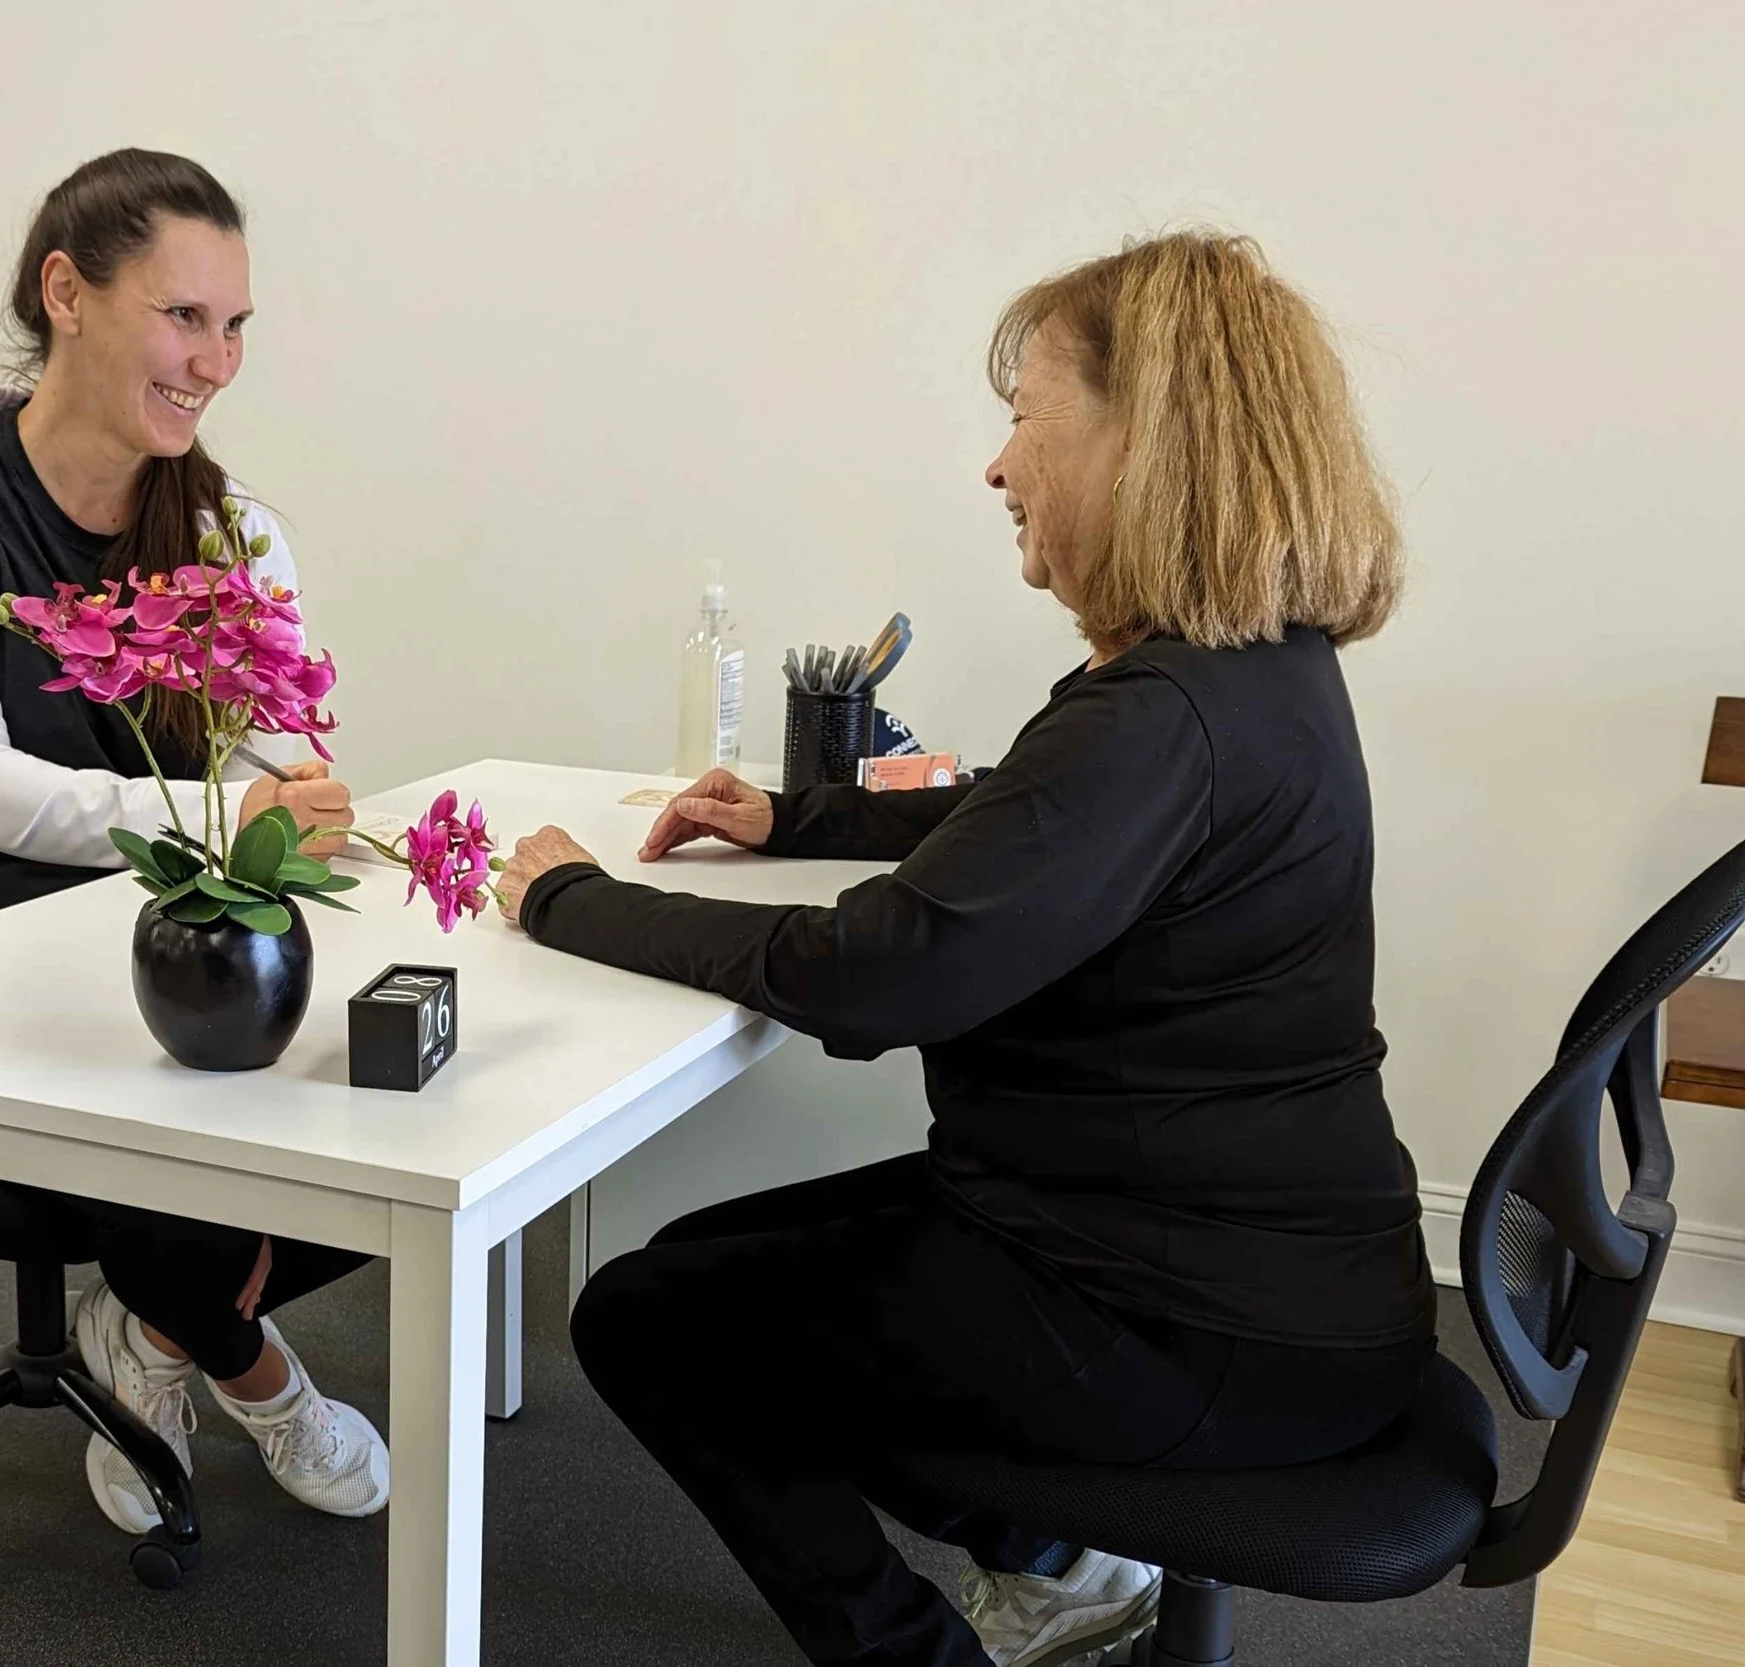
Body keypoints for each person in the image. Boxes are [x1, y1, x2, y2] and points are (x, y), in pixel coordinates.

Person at [494, 231, 1431, 1667]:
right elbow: (1022, 810)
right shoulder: (1250, 674)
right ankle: (1062, 1570)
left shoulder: (1162, 711)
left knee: (647, 1317)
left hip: (1185, 1323)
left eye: (1024, 420)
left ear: (1144, 439)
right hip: (1251, 1273)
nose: (997, 468)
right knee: (702, 1263)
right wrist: (795, 810)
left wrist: (564, 897)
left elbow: (864, 972)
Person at [0, 149, 387, 1538]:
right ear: (67, 293)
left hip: (167, 916)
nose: (217, 360)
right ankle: (245, 1363)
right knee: (176, 1125)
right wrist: (217, 815)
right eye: (187, 318)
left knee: (382, 1111)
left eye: (237, 326)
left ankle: (148, 1335)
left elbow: (271, 745)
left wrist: (279, 794)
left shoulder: (232, 525)